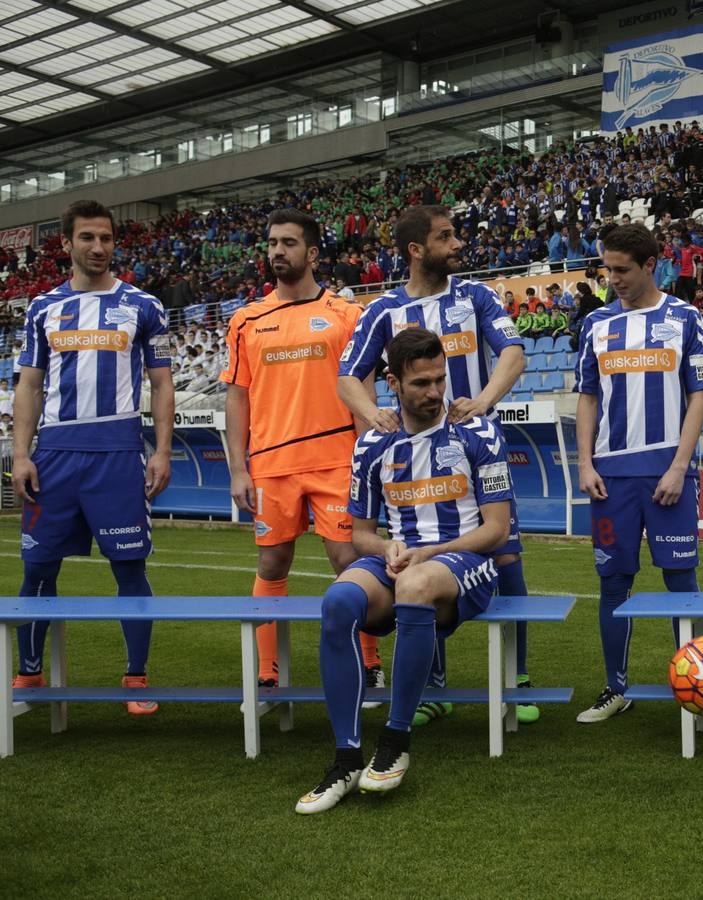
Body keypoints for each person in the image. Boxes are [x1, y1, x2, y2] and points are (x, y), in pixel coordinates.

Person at [295, 328, 514, 814]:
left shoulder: (478, 432)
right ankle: (347, 757)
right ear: (392, 381)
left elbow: (497, 529)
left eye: (440, 379)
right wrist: (390, 546)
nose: (435, 392)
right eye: (421, 383)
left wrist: (431, 551)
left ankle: (395, 741)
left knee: (415, 583)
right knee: (338, 600)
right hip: (400, 560)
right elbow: (360, 535)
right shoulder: (372, 444)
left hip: (467, 562)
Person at [336, 206, 532, 727]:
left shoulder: (477, 296)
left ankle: (518, 681)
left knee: (506, 556)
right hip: (411, 454)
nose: (458, 243)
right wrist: (372, 413)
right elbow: (347, 377)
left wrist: (485, 400)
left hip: (473, 446)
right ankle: (432, 687)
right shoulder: (382, 311)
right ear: (416, 250)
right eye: (446, 237)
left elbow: (513, 352)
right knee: (417, 557)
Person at [11, 200, 175, 711]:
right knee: (38, 566)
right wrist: (21, 454)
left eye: (105, 238)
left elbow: (163, 383)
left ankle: (135, 678)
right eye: (87, 238)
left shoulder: (144, 306)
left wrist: (162, 450)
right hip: (55, 453)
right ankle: (30, 673)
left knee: (129, 565)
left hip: (118, 453)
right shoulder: (42, 309)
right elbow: (29, 386)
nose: (98, 247)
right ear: (67, 244)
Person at [221, 209, 380, 695]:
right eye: (272, 243)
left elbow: (363, 391)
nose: (277, 251)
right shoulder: (246, 319)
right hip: (271, 466)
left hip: (338, 459)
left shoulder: (347, 315)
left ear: (311, 253)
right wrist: (237, 470)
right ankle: (267, 673)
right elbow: (237, 397)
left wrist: (369, 463)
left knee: (350, 562)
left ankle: (369, 664)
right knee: (272, 565)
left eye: (288, 243)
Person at [574, 224, 703, 722]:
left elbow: (700, 393)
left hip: (666, 472)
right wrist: (585, 462)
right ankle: (615, 688)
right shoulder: (596, 324)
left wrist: (680, 466)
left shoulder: (685, 317)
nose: (612, 278)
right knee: (613, 582)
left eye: (622, 269)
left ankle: (699, 692)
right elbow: (588, 397)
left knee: (681, 579)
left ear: (650, 264)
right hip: (610, 477)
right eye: (607, 268)